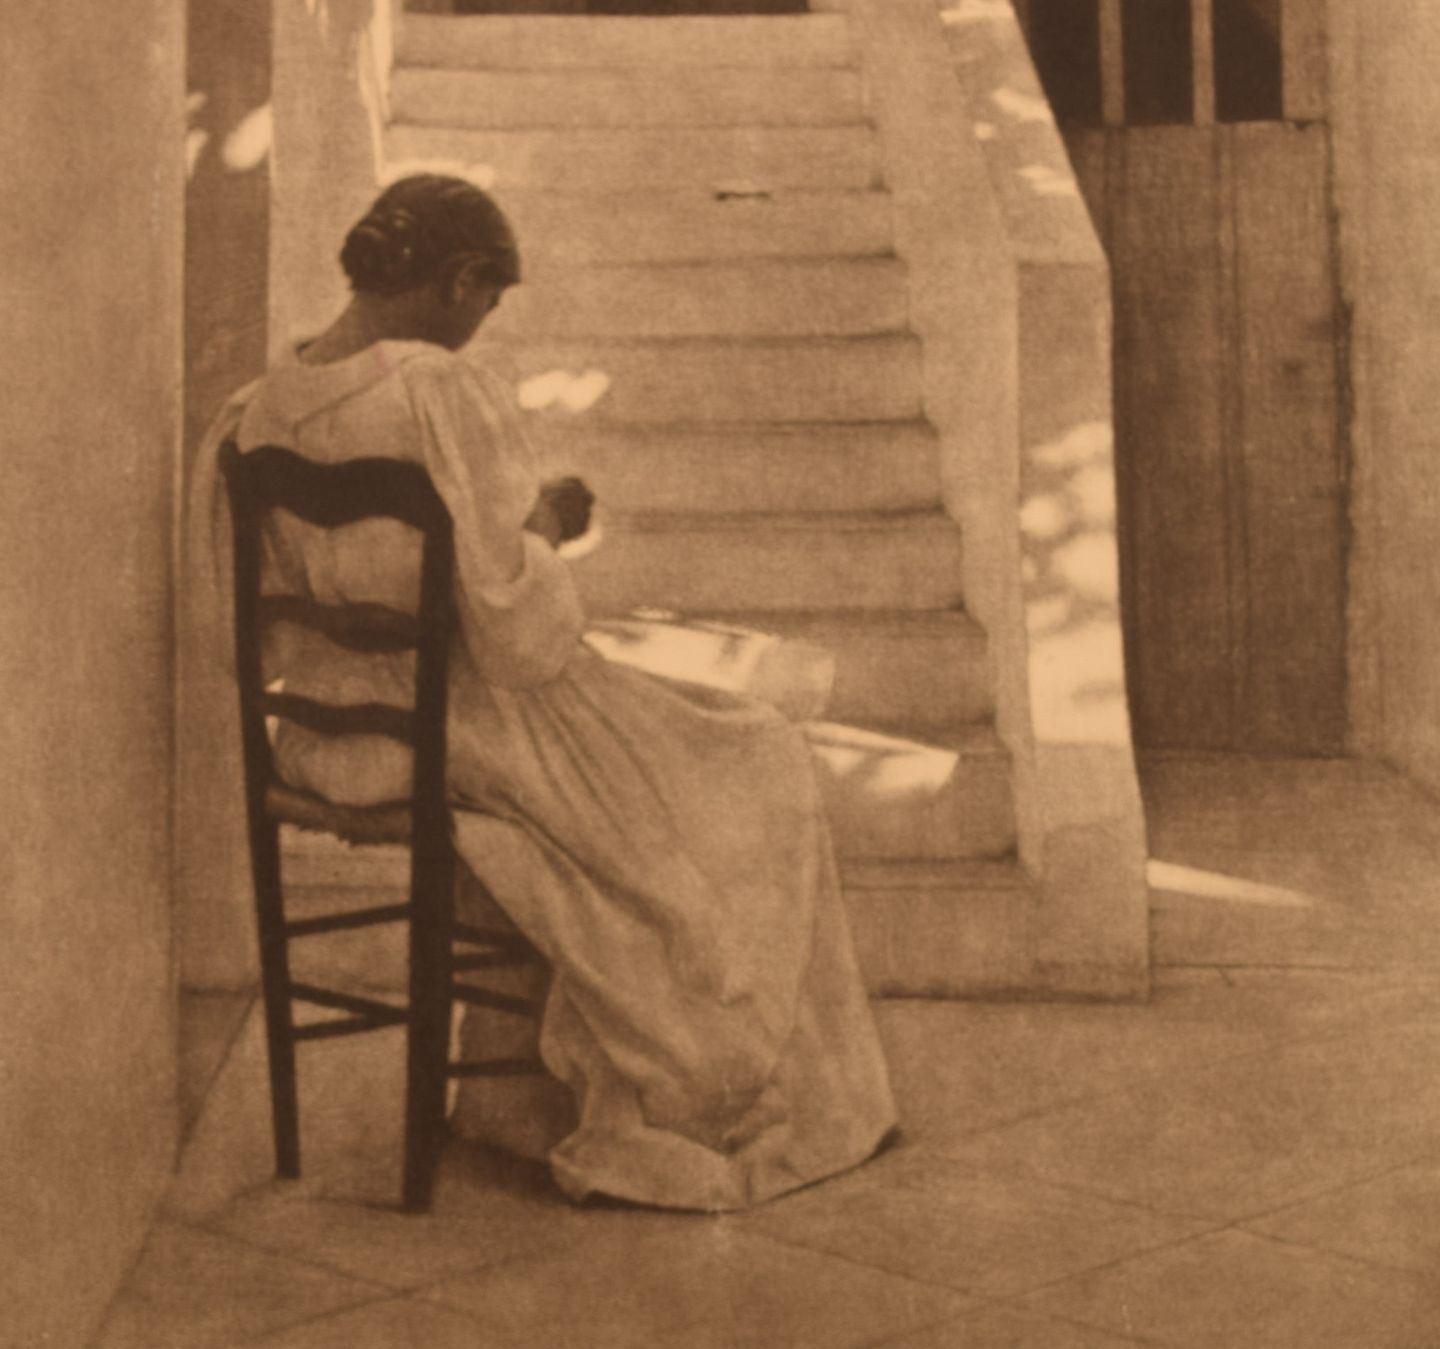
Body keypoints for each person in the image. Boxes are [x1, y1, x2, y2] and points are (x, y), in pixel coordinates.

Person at [186, 174, 896, 1211]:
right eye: (487, 299)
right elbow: (518, 636)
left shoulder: (256, 410)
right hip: (458, 722)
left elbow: (237, 625)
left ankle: (525, 1099)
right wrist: (549, 522)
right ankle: (729, 1092)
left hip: (328, 737)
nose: (481, 321)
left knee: (682, 747)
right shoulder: (437, 390)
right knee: (759, 751)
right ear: (460, 279)